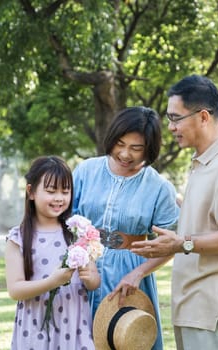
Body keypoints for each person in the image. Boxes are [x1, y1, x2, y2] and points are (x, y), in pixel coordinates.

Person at [131, 75, 218, 350]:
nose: (171, 127)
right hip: (192, 306)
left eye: (176, 118)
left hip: (214, 311)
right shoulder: (203, 162)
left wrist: (181, 243)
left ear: (203, 116)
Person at [72, 106, 180, 350]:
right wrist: (82, 258)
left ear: (149, 148)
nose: (124, 153)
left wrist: (138, 273)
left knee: (121, 339)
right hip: (83, 268)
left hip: (129, 274)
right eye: (120, 143)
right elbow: (66, 220)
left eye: (136, 148)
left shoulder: (159, 188)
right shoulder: (86, 171)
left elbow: (172, 244)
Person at [5, 155, 100, 349]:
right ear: (31, 192)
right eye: (51, 191)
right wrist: (52, 282)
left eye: (65, 192)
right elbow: (15, 290)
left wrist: (89, 277)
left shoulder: (77, 232)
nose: (59, 198)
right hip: (35, 326)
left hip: (74, 325)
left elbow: (94, 282)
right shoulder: (18, 238)